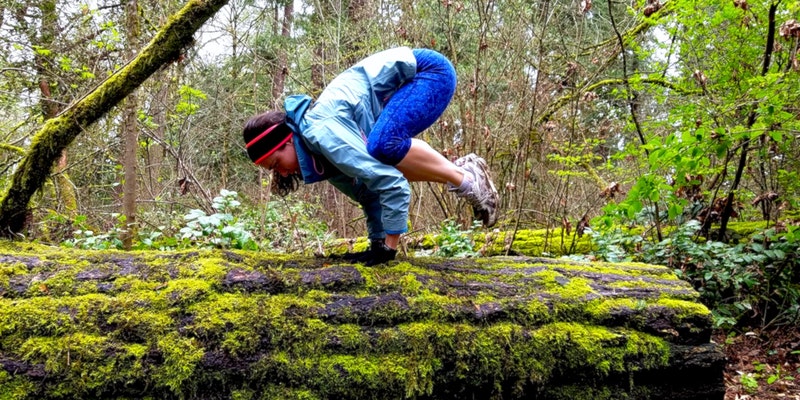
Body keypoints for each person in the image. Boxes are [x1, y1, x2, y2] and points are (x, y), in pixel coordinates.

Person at [243, 47, 498, 265]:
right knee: (378, 157)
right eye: (275, 172)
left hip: (428, 74)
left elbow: (390, 183)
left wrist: (389, 248)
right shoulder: (321, 157)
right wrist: (377, 244)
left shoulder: (322, 132)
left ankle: (466, 177)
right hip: (414, 83)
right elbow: (368, 192)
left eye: (277, 164)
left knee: (383, 146)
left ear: (287, 140)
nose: (283, 173)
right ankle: (464, 172)